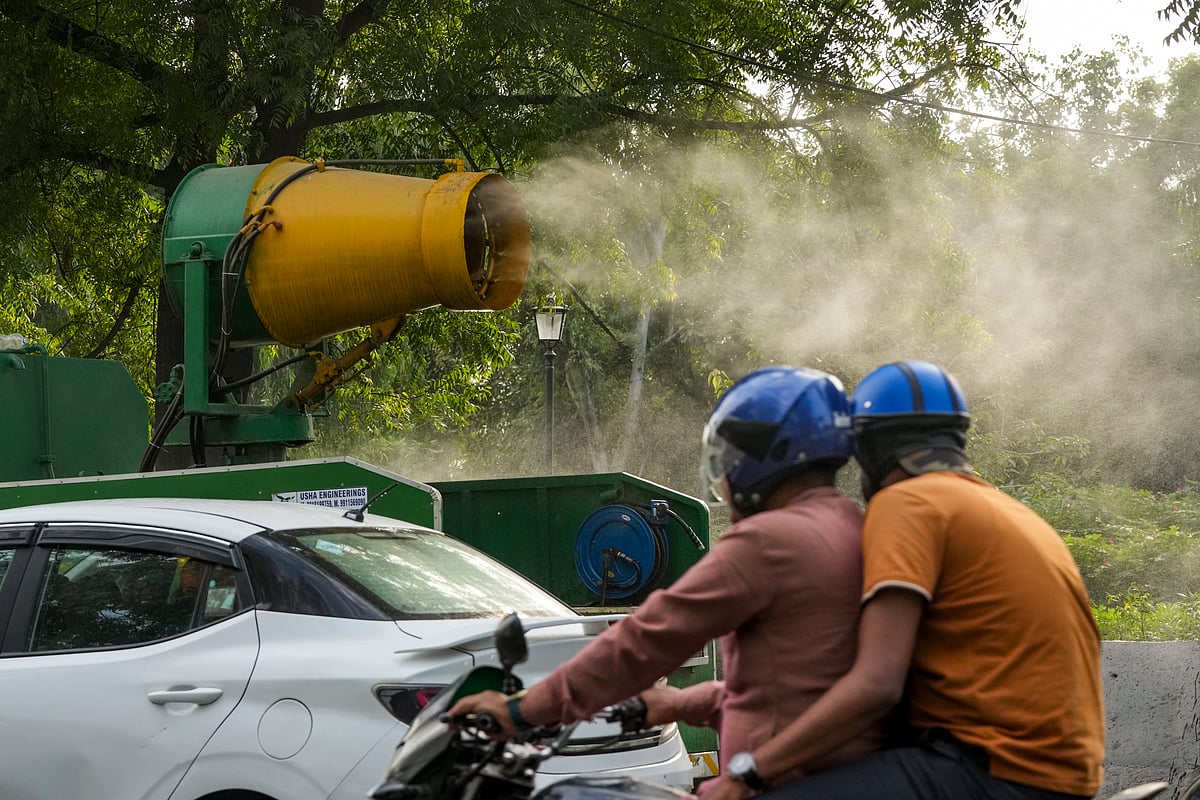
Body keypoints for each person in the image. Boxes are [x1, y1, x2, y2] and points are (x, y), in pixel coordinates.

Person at [449, 366, 887, 790]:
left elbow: (642, 642)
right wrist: (682, 702)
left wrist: (522, 710)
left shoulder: (768, 541)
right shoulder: (853, 526)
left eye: (729, 461)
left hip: (781, 783)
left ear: (762, 458)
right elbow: (795, 690)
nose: (726, 480)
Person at [702, 360, 1104, 800]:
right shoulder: (1006, 511)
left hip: (994, 773)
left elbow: (877, 685)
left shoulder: (907, 504)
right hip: (1060, 773)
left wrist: (749, 772)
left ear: (871, 450)